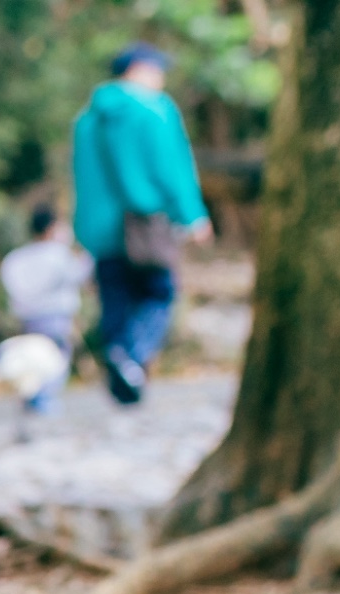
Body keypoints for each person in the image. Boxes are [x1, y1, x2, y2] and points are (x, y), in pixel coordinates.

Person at [70, 42, 211, 405]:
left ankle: (119, 360)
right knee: (158, 293)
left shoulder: (87, 120)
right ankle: (131, 357)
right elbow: (171, 169)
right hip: (146, 227)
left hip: (100, 232)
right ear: (139, 68)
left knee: (116, 298)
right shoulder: (154, 109)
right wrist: (192, 216)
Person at [0, 203, 91, 414]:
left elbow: (11, 286)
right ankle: (44, 398)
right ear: (51, 228)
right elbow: (78, 275)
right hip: (56, 317)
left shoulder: (16, 258)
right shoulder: (58, 254)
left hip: (28, 317)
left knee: (33, 356)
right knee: (55, 359)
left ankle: (33, 395)